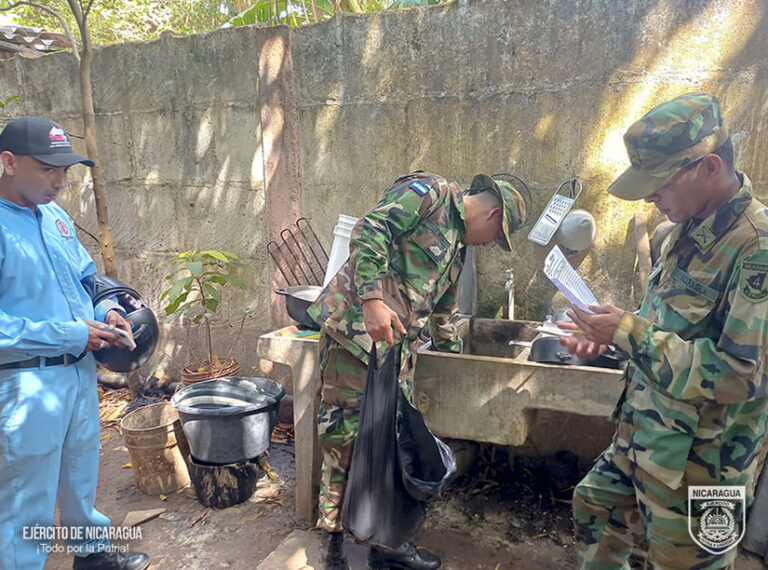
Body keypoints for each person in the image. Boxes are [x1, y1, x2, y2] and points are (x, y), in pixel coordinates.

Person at [558, 93, 768, 568]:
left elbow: (741, 375)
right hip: (642, 443)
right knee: (594, 506)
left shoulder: (757, 250)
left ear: (709, 167)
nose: (650, 197)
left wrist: (630, 333)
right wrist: (608, 338)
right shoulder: (681, 231)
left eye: (660, 183)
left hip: (701, 471)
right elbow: (667, 329)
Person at [307, 171, 529, 570]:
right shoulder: (430, 194)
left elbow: (444, 311)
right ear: (493, 214)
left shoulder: (458, 250)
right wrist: (373, 299)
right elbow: (370, 229)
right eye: (496, 237)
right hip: (354, 336)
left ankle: (387, 542)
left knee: (397, 444)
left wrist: (458, 358)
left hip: (397, 351)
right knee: (344, 438)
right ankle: (336, 544)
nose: (490, 244)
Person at [0, 116, 149, 570]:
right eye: (47, 168)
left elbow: (85, 277)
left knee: (80, 471)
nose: (60, 181)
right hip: (26, 382)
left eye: (65, 170)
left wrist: (106, 310)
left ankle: (92, 554)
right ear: (7, 162)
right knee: (29, 496)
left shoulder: (54, 216)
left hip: (79, 372)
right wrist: (69, 332)